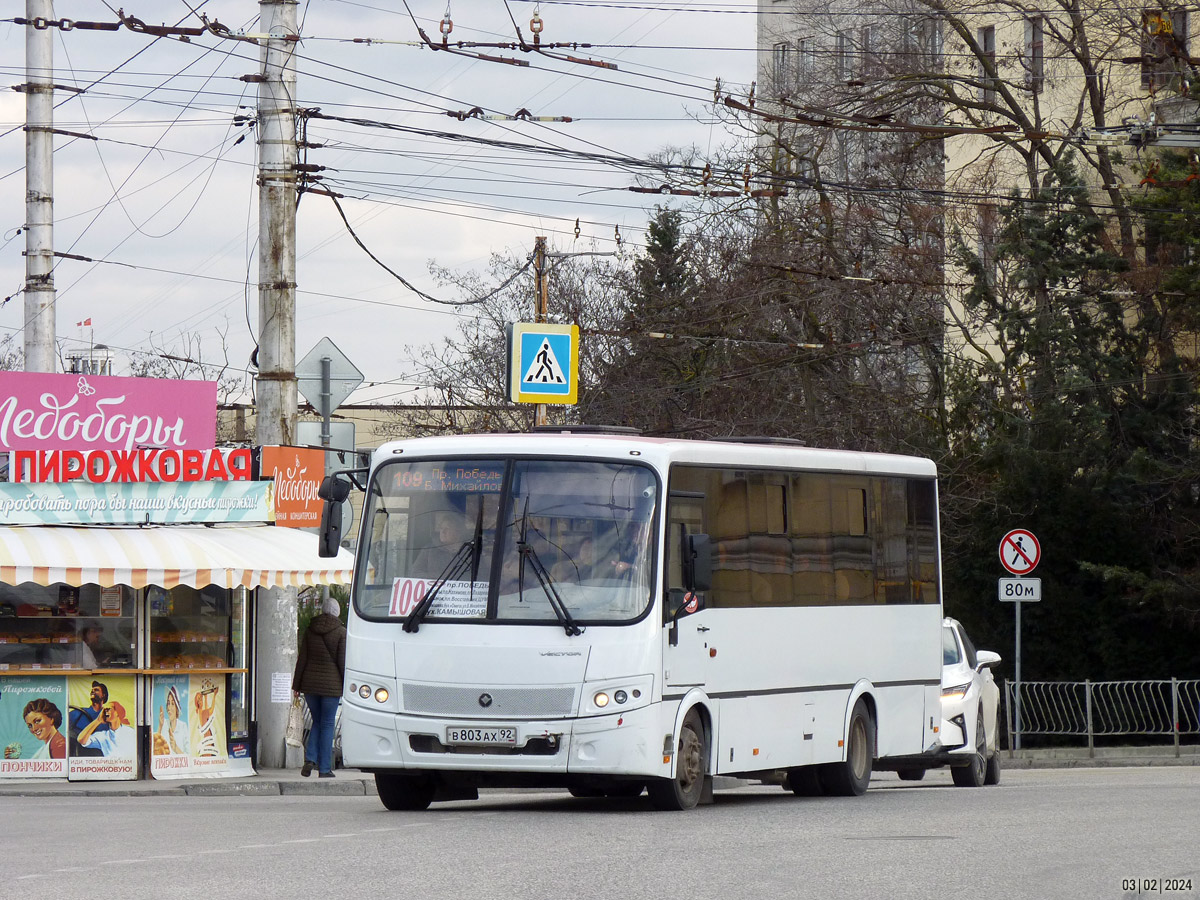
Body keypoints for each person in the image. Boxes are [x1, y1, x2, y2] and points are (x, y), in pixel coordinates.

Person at [292, 595, 346, 778]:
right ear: (337, 612)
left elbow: (302, 659)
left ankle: (310, 759)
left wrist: (296, 685)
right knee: (327, 724)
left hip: (310, 685)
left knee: (317, 721)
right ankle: (324, 769)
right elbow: (342, 662)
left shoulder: (310, 630)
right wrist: (347, 685)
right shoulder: (341, 632)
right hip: (331, 687)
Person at [413, 509, 468, 576]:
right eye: (441, 528)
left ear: (458, 532)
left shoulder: (469, 551)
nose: (443, 532)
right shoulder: (429, 550)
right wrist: (438, 578)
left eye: (447, 529)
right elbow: (415, 573)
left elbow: (476, 576)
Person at [68, 680, 109, 758]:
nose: (93, 691)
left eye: (96, 690)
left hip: (94, 753)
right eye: (92, 690)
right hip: (74, 751)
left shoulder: (107, 718)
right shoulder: (78, 713)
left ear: (103, 695)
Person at [154, 685, 189, 756]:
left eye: (172, 704)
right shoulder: (164, 724)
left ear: (177, 707)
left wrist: (176, 748)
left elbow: (188, 756)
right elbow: (156, 748)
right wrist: (160, 726)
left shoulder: (183, 726)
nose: (169, 707)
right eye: (168, 703)